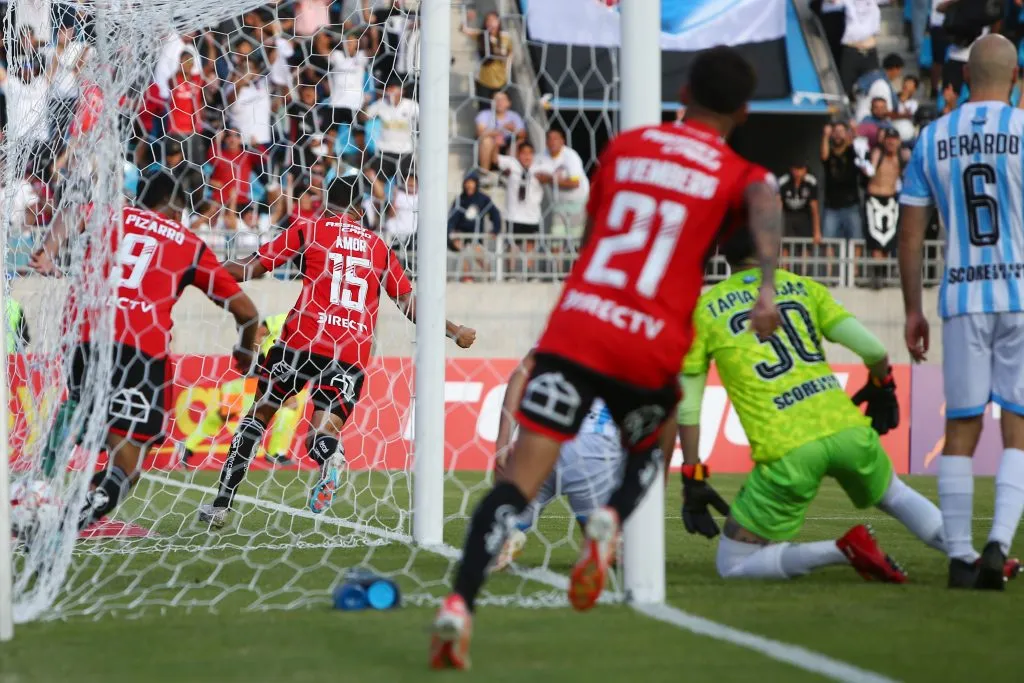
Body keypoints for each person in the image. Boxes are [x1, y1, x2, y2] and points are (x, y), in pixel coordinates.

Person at [429, 45, 783, 670]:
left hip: (575, 332)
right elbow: (765, 199)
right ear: (745, 111)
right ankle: (611, 519)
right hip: (645, 347)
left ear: (683, 97)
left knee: (517, 484)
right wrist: (766, 287)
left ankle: (459, 602)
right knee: (661, 433)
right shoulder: (738, 172)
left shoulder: (626, 148)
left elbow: (595, 236)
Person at [678, 227, 1021, 582]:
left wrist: (692, 475)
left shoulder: (702, 311)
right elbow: (873, 350)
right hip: (847, 427)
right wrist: (881, 384)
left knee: (733, 564)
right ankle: (974, 558)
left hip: (787, 448)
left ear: (723, 254)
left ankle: (842, 549)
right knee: (895, 494)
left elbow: (687, 407)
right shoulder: (806, 288)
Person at [197, 174, 477, 527]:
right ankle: (330, 459)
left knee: (257, 418)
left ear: (326, 204)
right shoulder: (379, 247)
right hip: (350, 352)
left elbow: (252, 266)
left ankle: (221, 506)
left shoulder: (309, 230)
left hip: (301, 342)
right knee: (321, 434)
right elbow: (409, 303)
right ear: (361, 209)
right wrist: (455, 331)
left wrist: (198, 270)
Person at [29, 169, 259, 530]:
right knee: (130, 465)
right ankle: (68, 521)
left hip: (86, 338)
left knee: (89, 426)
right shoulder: (186, 242)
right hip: (140, 350)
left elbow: (71, 213)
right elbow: (246, 311)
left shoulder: (113, 214)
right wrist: (245, 351)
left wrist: (48, 250)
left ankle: (44, 488)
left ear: (142, 200)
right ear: (177, 210)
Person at [899, 34, 1024, 590]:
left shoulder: (931, 139)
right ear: (1016, 76)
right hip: (1020, 295)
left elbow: (910, 233)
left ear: (964, 79)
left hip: (961, 297)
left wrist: (911, 310)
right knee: (1019, 424)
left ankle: (959, 556)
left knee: (961, 424)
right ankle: (999, 541)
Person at [491, 350, 624, 572]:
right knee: (608, 541)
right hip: (592, 449)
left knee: (505, 525)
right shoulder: (629, 335)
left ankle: (509, 536)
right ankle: (607, 542)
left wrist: (503, 440)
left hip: (541, 438)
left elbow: (521, 373)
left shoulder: (566, 325)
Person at [864, 129, 909, 288]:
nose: (891, 142)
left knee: (889, 238)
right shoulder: (878, 153)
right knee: (876, 238)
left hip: (891, 199)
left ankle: (884, 273)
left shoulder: (901, 156)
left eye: (894, 139)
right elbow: (870, 169)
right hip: (875, 198)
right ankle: (877, 275)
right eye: (888, 139)